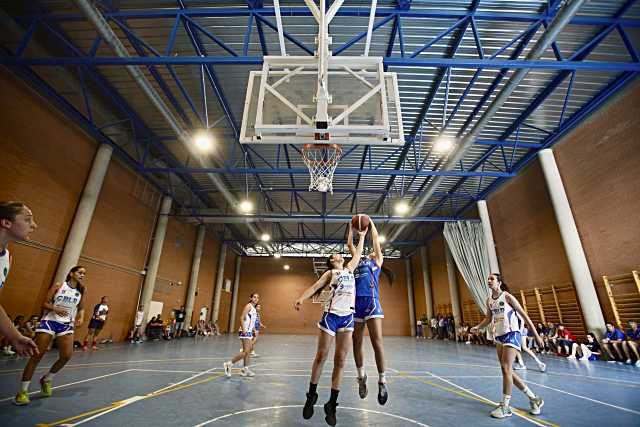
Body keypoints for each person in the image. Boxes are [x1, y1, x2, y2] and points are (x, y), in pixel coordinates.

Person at [296, 225, 367, 426]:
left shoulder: (349, 269)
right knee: (321, 356)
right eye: (335, 255)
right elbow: (315, 287)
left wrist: (360, 235)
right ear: (332, 261)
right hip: (331, 317)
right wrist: (301, 298)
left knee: (341, 361)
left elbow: (359, 252)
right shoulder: (330, 274)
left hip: (347, 318)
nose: (339, 255)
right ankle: (311, 395)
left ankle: (332, 404)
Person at [471, 274, 544, 419]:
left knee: (506, 369)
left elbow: (524, 315)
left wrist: (536, 335)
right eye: (488, 279)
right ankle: (534, 399)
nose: (489, 280)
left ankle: (505, 407)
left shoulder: (507, 296)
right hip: (499, 336)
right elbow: (488, 319)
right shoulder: (489, 301)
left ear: (499, 283)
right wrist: (478, 327)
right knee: (507, 370)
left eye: (492, 279)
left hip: (512, 333)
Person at [14, 266, 86, 405]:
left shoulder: (81, 290)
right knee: (37, 355)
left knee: (66, 356)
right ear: (71, 273)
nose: (82, 275)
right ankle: (22, 392)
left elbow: (81, 307)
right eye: (80, 272)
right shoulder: (59, 286)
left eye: (84, 274)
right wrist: (55, 308)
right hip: (50, 321)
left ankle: (47, 379)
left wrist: (81, 317)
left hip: (66, 325)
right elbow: (45, 303)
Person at [348, 219, 392, 406]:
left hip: (372, 304)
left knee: (377, 342)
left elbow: (375, 239)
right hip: (356, 304)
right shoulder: (357, 261)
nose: (373, 251)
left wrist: (371, 223)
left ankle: (382, 380)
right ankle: (361, 377)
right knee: (356, 343)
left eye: (375, 251)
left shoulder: (377, 263)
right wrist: (353, 227)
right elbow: (349, 244)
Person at [0, 201, 39, 357]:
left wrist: (15, 337)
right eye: (27, 220)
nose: (34, 225)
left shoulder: (7, 258)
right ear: (6, 222)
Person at [223, 293, 260, 377]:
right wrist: (244, 330)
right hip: (245, 331)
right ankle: (229, 364)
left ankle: (245, 369)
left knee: (248, 351)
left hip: (249, 332)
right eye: (254, 297)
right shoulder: (248, 306)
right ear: (251, 298)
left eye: (257, 297)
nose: (256, 298)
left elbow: (252, 321)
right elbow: (241, 317)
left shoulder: (254, 309)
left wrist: (254, 330)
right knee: (245, 351)